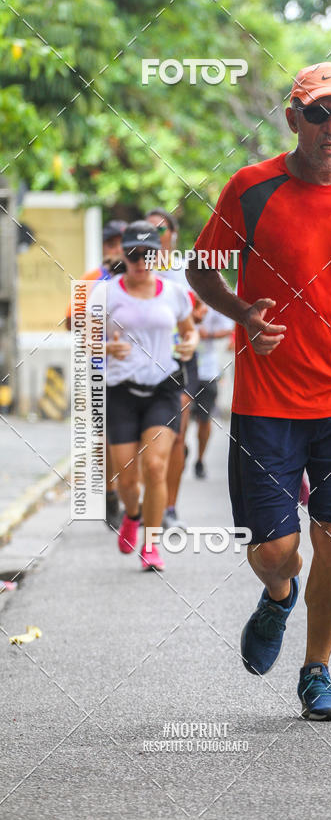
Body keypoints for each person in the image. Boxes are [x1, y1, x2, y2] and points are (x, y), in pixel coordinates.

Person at [187, 62, 331, 720]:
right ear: (293, 119)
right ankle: (279, 594)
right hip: (267, 401)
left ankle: (317, 672)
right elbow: (201, 272)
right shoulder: (251, 190)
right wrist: (240, 312)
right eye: (317, 114)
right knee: (274, 550)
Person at [93, 220, 198, 571]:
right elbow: (84, 339)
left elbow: (189, 330)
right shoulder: (106, 294)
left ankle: (151, 545)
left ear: (159, 255)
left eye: (147, 254)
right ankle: (132, 516)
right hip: (121, 392)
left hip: (163, 389)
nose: (140, 261)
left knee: (155, 466)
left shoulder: (174, 293)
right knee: (127, 479)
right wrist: (107, 347)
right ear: (123, 255)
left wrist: (189, 343)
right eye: (134, 254)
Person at [66, 219, 127, 530]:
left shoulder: (140, 277)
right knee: (106, 437)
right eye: (112, 243)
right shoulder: (92, 279)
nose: (117, 249)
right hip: (100, 370)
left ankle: (133, 494)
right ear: (105, 247)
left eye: (122, 243)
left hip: (137, 372)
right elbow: (70, 321)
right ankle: (110, 492)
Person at [145, 208, 199, 529]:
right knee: (144, 438)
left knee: (177, 433)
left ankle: (169, 507)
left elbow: (202, 310)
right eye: (147, 230)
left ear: (173, 236)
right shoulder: (129, 270)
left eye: (160, 231)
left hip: (179, 359)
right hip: (138, 361)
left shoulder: (184, 270)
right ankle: (142, 494)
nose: (153, 237)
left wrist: (195, 323)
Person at [192, 304, 234, 478]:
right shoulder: (179, 290)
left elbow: (229, 329)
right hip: (181, 369)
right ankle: (180, 447)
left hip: (207, 370)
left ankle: (200, 459)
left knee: (204, 419)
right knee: (179, 417)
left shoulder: (212, 294)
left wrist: (208, 334)